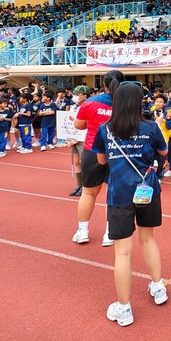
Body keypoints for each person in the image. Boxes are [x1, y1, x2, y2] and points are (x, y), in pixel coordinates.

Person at [92, 82, 170, 327]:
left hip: (120, 194)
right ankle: (158, 287)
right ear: (138, 102)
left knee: (122, 252)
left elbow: (101, 160)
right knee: (148, 239)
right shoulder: (150, 127)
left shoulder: (105, 129)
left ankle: (124, 308)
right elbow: (164, 152)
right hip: (147, 190)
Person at [73, 70, 125, 247]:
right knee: (114, 193)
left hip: (92, 151)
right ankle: (110, 233)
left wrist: (94, 122)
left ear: (103, 84)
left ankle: (82, 231)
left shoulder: (91, 102)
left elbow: (79, 125)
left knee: (88, 193)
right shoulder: (127, 103)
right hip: (118, 153)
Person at [67, 85, 90, 196]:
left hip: (84, 138)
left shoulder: (88, 106)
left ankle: (85, 185)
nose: (75, 96)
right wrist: (69, 138)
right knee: (76, 162)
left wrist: (78, 137)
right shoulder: (73, 108)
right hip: (74, 138)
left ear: (84, 96)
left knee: (84, 162)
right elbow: (68, 122)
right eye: (74, 94)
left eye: (78, 94)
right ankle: (79, 184)